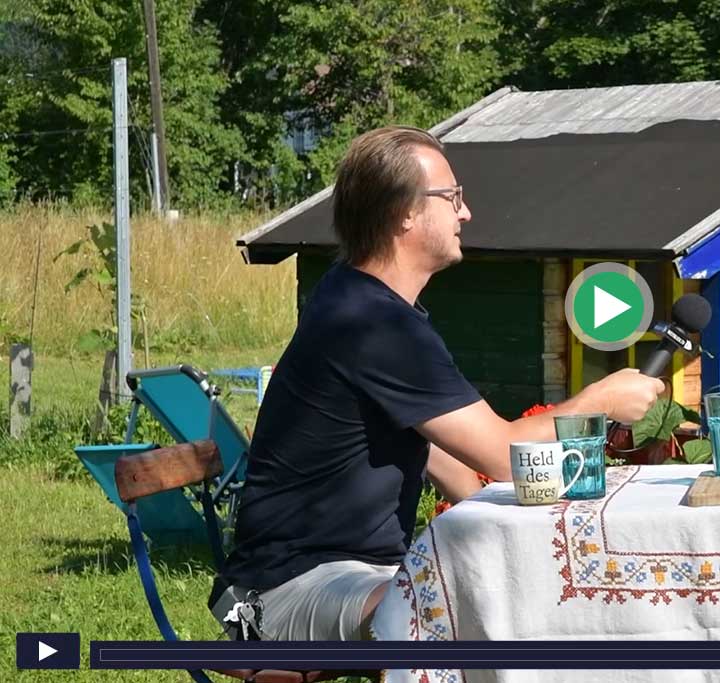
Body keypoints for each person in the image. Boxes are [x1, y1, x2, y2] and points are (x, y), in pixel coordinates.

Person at [210, 126, 665, 642]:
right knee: (460, 608)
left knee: (508, 589)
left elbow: (441, 457)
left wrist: (501, 524)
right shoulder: (376, 323)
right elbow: (503, 454)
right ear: (404, 212)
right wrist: (599, 400)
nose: (465, 213)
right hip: (276, 594)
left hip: (320, 576)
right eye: (452, 197)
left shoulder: (357, 299)